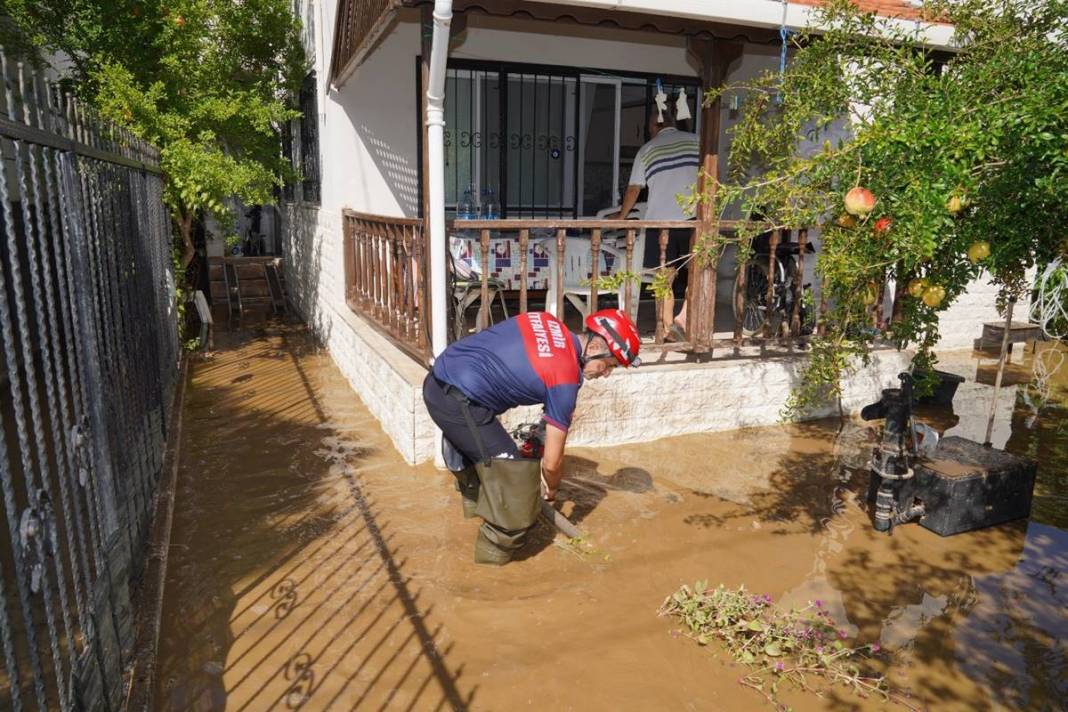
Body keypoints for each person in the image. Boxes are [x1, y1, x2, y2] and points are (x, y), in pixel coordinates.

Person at [423, 309, 641, 565]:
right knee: (516, 487)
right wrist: (552, 489)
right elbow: (552, 462)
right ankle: (493, 565)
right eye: (609, 365)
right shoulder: (566, 379)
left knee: (495, 460)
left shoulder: (545, 321)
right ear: (593, 347)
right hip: (458, 403)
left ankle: (481, 512)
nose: (605, 375)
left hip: (438, 379)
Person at [613, 103, 699, 339]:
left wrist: (621, 217)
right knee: (697, 273)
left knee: (664, 279)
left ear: (653, 125)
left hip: (661, 223)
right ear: (672, 121)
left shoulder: (647, 150)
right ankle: (684, 318)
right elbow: (713, 174)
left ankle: (668, 326)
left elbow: (634, 189)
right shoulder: (697, 140)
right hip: (695, 221)